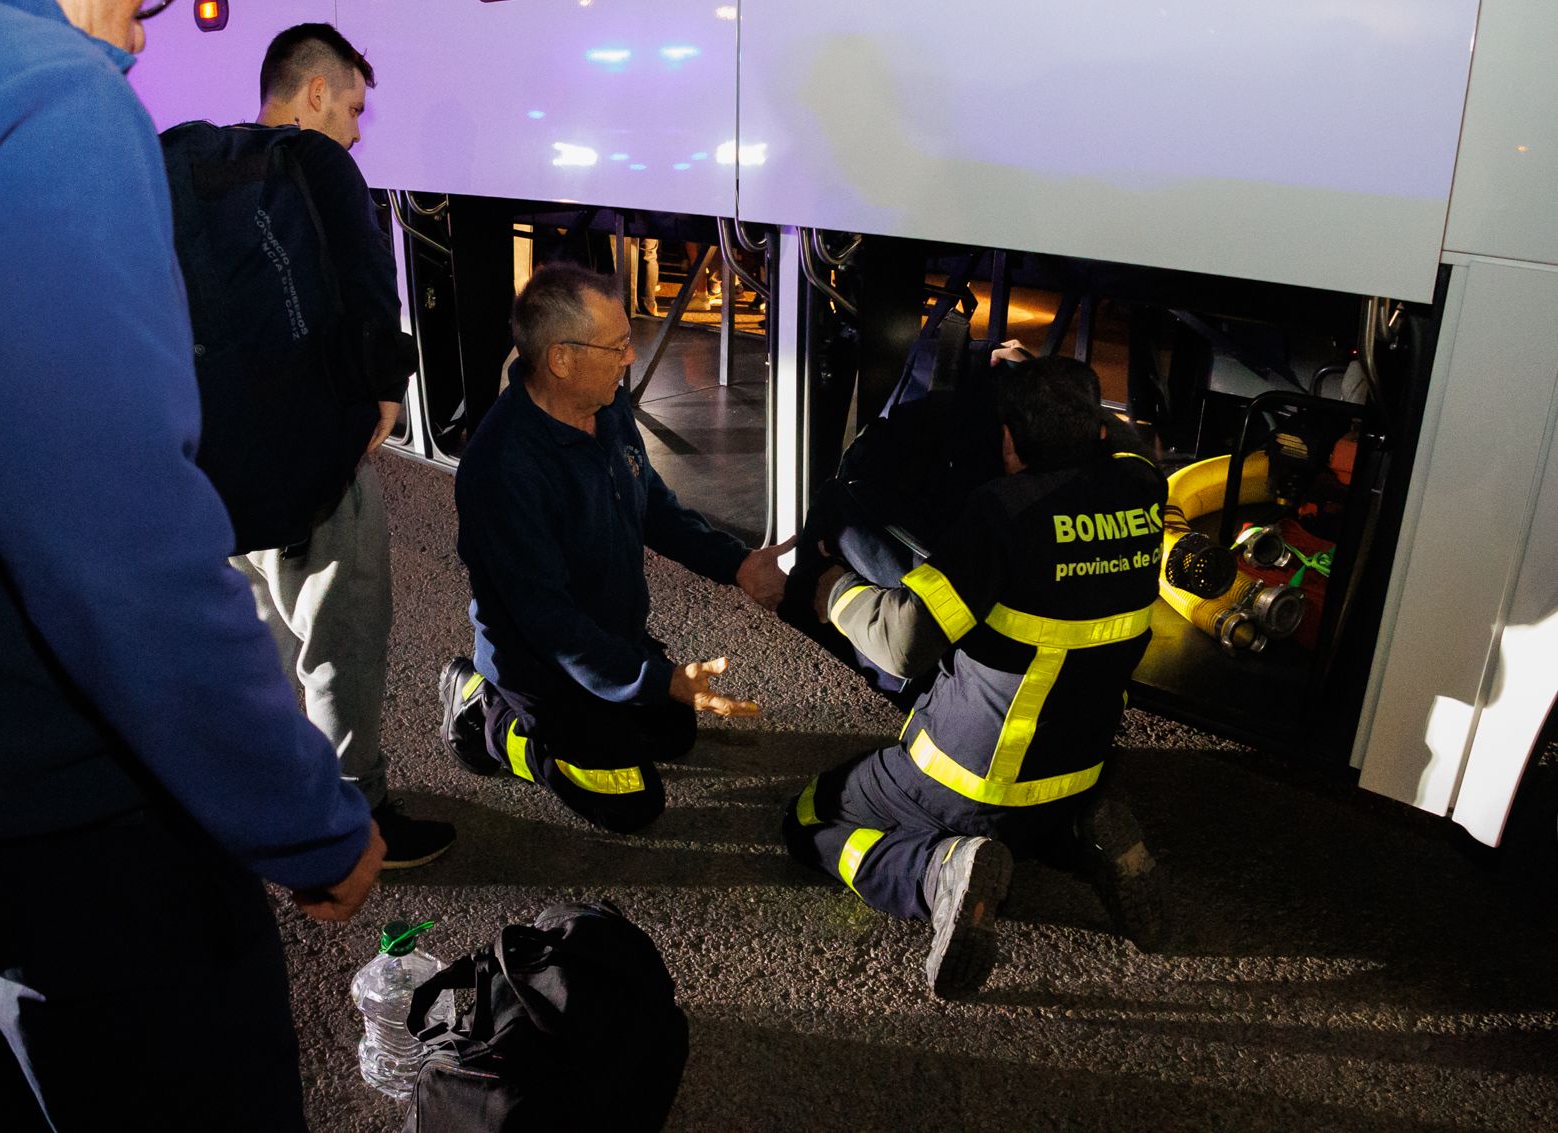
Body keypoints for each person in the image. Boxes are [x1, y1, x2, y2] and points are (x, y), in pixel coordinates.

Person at [0, 1, 383, 1128]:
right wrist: (307, 818)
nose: (148, 36)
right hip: (73, 815)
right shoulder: (48, 101)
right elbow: (111, 548)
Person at [782, 356, 1169, 999]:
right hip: (1081, 765)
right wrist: (1052, 392)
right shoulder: (1142, 486)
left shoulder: (1005, 511)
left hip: (973, 778)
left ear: (1010, 441)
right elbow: (1117, 442)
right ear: (1098, 429)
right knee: (1039, 817)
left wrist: (831, 591)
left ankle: (937, 872)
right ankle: (1083, 837)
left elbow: (903, 642)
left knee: (809, 819)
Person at [439, 264, 791, 833]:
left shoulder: (606, 408)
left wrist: (736, 563)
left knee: (674, 734)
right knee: (631, 803)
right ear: (561, 358)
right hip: (543, 664)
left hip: (610, 637)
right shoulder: (502, 469)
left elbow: (652, 504)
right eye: (619, 346)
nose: (631, 358)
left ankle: (601, 707)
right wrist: (659, 678)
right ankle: (487, 714)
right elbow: (551, 625)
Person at [223, 22, 454, 869]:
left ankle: (277, 800)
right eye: (352, 106)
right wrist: (384, 395)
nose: (357, 128)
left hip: (217, 468)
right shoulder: (318, 172)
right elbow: (366, 289)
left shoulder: (205, 169)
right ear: (314, 90)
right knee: (340, 640)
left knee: (261, 647)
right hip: (310, 464)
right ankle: (355, 819)